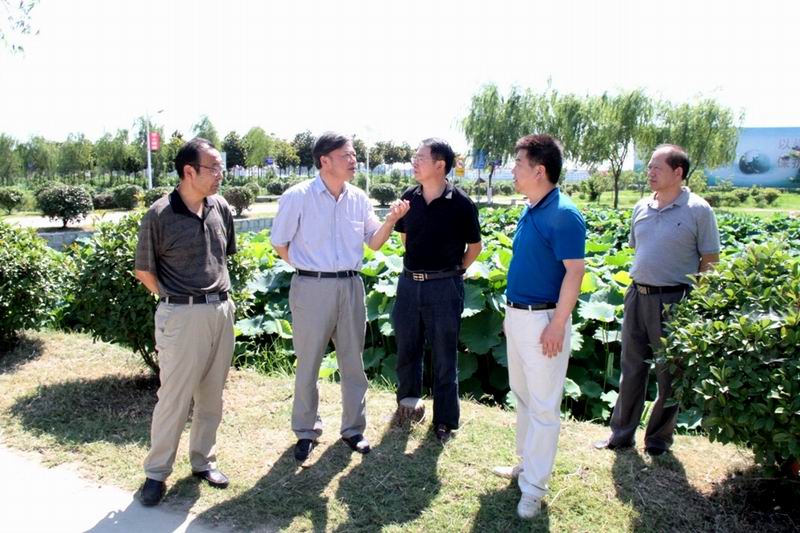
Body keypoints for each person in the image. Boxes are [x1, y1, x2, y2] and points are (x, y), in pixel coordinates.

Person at [270, 131, 410, 462]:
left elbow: (374, 242)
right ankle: (306, 430)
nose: (353, 160)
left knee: (353, 361)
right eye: (347, 155)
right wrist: (308, 269)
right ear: (325, 160)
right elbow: (279, 243)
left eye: (354, 155)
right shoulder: (298, 196)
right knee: (309, 362)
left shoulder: (359, 198)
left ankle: (353, 429)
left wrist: (391, 220)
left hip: (351, 286)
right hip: (311, 287)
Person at [594, 144, 720, 456]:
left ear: (678, 172)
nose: (650, 172)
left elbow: (710, 260)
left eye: (657, 167)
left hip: (674, 299)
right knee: (631, 368)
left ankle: (657, 440)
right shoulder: (641, 206)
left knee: (669, 375)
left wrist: (696, 303)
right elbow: (639, 249)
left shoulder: (699, 210)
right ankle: (621, 435)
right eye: (649, 166)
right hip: (637, 295)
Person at [134, 137, 237, 506]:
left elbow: (224, 256)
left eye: (221, 167)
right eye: (213, 168)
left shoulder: (219, 206)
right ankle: (156, 473)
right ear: (189, 171)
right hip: (181, 315)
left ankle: (203, 461)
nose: (220, 174)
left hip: (221, 311)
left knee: (212, 395)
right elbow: (144, 270)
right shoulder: (159, 215)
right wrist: (174, 300)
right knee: (174, 397)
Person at [492, 134, 585, 519]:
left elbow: (575, 272)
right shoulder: (532, 209)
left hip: (544, 320)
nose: (512, 170)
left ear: (539, 170)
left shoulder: (564, 214)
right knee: (525, 396)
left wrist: (557, 324)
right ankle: (525, 466)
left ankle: (534, 488)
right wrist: (511, 316)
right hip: (519, 316)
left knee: (544, 406)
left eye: (518, 164)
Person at [391, 138, 482, 443]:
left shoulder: (462, 203)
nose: (414, 163)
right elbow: (405, 239)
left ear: (440, 165)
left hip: (444, 287)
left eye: (420, 158)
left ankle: (444, 420)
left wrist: (453, 272)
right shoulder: (409, 198)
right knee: (407, 348)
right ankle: (407, 404)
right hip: (408, 284)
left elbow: (475, 247)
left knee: (444, 355)